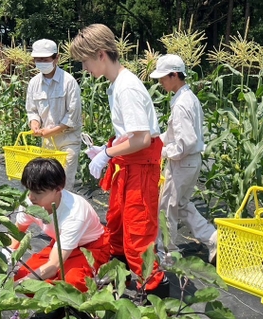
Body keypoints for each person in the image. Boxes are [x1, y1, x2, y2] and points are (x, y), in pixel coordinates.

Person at [69, 24, 169, 297]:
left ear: (101, 54)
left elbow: (142, 139)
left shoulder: (127, 88)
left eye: (85, 61)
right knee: (117, 224)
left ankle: (154, 287)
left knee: (138, 230)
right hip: (129, 165)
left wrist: (107, 154)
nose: (85, 67)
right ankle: (124, 274)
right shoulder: (117, 85)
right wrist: (106, 148)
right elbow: (129, 134)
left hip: (141, 167)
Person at [149, 54, 218, 263]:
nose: (160, 82)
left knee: (167, 207)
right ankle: (213, 238)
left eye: (164, 77)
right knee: (181, 205)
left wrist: (161, 151)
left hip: (182, 162)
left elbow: (184, 143)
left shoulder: (180, 104)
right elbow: (175, 135)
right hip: (191, 161)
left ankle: (168, 251)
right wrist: (155, 142)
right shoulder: (187, 98)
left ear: (175, 75)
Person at [10, 158, 110, 292]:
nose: (31, 197)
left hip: (91, 247)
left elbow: (53, 265)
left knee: (72, 282)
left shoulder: (74, 213)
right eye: (29, 190)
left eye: (38, 192)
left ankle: (104, 279)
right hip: (61, 243)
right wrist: (6, 257)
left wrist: (18, 286)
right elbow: (18, 233)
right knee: (22, 274)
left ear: (58, 189)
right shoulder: (29, 203)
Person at [25, 39, 82, 191]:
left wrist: (52, 131)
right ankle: (50, 214)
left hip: (68, 141)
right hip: (47, 142)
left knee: (63, 184)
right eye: (38, 59)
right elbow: (32, 111)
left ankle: (64, 214)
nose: (41, 62)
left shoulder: (69, 82)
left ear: (56, 58)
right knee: (47, 185)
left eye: (45, 59)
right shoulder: (34, 83)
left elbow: (73, 115)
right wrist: (35, 124)